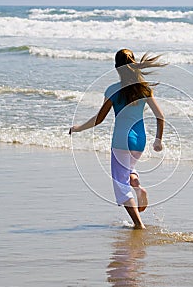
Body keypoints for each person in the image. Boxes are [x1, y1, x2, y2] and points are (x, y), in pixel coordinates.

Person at [69, 49, 165, 229]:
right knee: (129, 169)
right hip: (139, 141)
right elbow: (160, 116)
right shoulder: (145, 89)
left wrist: (78, 128)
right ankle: (137, 187)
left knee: (120, 184)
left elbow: (99, 119)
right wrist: (158, 140)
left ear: (116, 68)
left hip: (121, 140)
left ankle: (138, 224)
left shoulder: (113, 90)